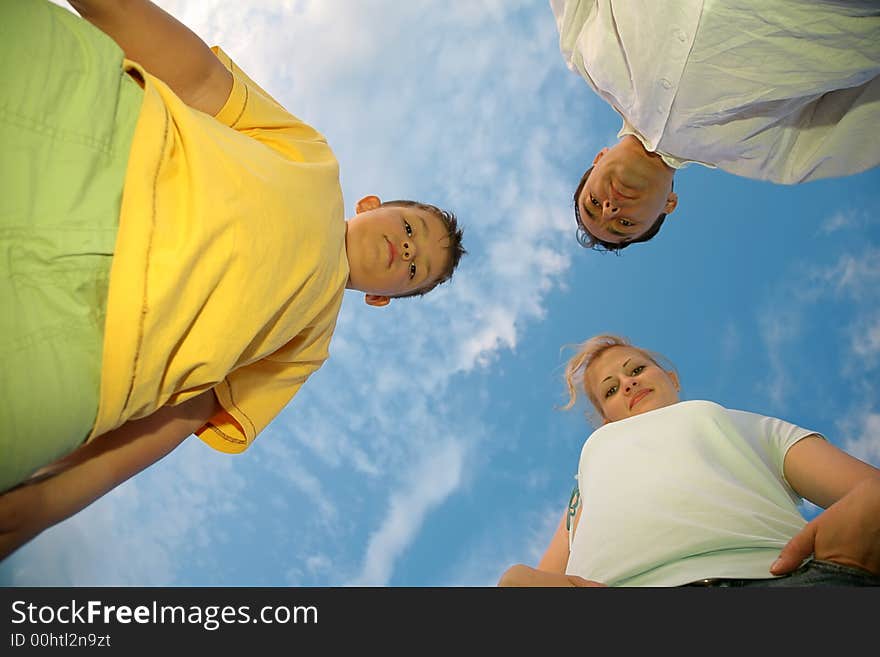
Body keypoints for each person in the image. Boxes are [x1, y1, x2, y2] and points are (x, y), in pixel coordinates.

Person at [0, 0, 465, 559]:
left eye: (416, 272)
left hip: (85, 354)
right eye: (411, 228)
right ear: (371, 204)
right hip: (90, 138)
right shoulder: (314, 157)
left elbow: (186, 412)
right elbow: (199, 81)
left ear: (381, 299)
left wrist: (52, 502)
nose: (408, 250)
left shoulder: (307, 347)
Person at [498, 334, 880, 586]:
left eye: (636, 369)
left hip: (781, 578)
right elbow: (543, 575)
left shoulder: (731, 420)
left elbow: (866, 490)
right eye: (611, 389)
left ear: (672, 377)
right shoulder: (592, 468)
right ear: (606, 418)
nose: (628, 382)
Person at [549, 0, 880, 251]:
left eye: (593, 204)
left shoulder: (584, 56)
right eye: (624, 222)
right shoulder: (773, 159)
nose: (610, 207)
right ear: (669, 205)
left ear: (598, 159)